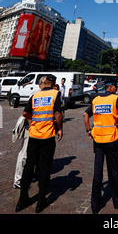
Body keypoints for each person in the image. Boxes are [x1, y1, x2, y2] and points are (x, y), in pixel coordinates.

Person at [15, 74, 63, 213]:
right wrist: (60, 129)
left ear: (43, 82)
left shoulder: (35, 95)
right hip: (47, 135)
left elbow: (25, 113)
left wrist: (32, 125)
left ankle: (22, 199)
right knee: (44, 166)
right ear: (53, 83)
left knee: (29, 165)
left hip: (34, 135)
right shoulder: (56, 94)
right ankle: (41, 200)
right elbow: (58, 114)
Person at [83, 79, 118, 214]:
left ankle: (95, 204)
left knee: (98, 170)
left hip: (97, 138)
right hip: (111, 138)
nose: (116, 89)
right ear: (112, 87)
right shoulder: (115, 99)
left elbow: (85, 114)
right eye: (116, 87)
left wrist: (88, 130)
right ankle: (117, 200)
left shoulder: (96, 99)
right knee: (113, 169)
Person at [12, 76, 46, 189]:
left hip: (38, 130)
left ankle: (27, 175)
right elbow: (26, 113)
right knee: (24, 154)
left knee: (32, 155)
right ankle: (18, 179)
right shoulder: (37, 95)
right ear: (44, 84)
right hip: (30, 128)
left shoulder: (43, 94)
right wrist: (32, 125)